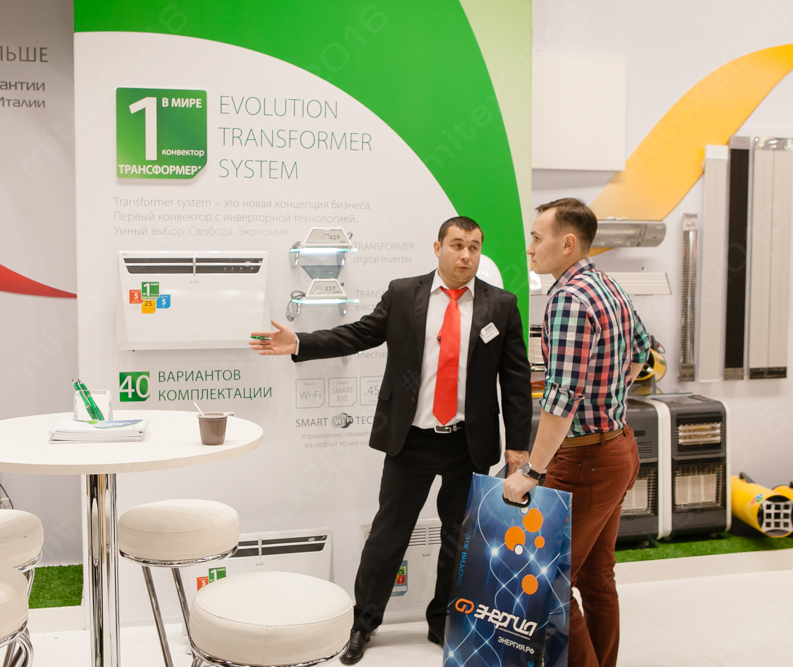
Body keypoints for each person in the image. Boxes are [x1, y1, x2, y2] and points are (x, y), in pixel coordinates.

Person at [251, 216, 532, 664]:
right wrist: (300, 342)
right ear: (437, 247)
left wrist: (518, 447)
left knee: (460, 542)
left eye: (474, 247)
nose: (465, 255)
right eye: (457, 245)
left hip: (469, 443)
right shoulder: (405, 294)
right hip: (412, 440)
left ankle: (444, 622)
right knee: (388, 536)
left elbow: (515, 380)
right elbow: (358, 333)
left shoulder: (500, 304)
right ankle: (363, 622)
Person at [504, 198, 650, 667]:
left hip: (586, 460)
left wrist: (531, 470)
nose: (530, 247)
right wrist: (608, 394)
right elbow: (643, 352)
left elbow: (561, 400)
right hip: (618, 448)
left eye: (536, 237)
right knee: (597, 578)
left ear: (567, 243)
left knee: (550, 583)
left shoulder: (568, 298)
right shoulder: (608, 284)